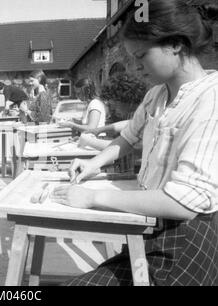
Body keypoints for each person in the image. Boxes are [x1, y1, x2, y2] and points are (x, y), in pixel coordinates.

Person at [51, 0, 218, 286]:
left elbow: (186, 201)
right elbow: (128, 137)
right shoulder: (156, 95)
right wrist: (93, 164)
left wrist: (92, 198)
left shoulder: (210, 100)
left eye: (141, 56)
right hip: (150, 229)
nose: (136, 67)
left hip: (184, 242)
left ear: (175, 44)